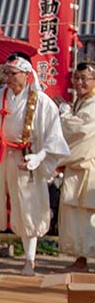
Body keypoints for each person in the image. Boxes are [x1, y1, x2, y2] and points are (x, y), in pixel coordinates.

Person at [0, 52, 69, 275]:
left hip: (26, 156)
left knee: (28, 206)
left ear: (26, 74)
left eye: (12, 73)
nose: (7, 77)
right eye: (5, 72)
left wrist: (41, 155)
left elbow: (54, 135)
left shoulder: (42, 101)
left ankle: (29, 259)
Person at [58, 62, 95, 271]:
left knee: (90, 216)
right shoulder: (81, 103)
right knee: (77, 216)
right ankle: (80, 260)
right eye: (77, 78)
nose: (79, 82)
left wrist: (64, 118)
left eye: (84, 79)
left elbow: (80, 131)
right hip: (77, 167)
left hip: (89, 166)